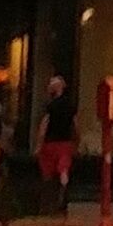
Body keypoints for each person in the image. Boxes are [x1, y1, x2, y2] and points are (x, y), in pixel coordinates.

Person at [37, 75, 79, 214]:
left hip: (50, 143)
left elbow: (44, 125)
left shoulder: (50, 106)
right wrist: (76, 142)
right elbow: (75, 125)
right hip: (65, 143)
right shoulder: (70, 106)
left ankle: (48, 203)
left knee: (48, 173)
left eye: (51, 85)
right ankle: (62, 195)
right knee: (63, 168)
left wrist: (39, 144)